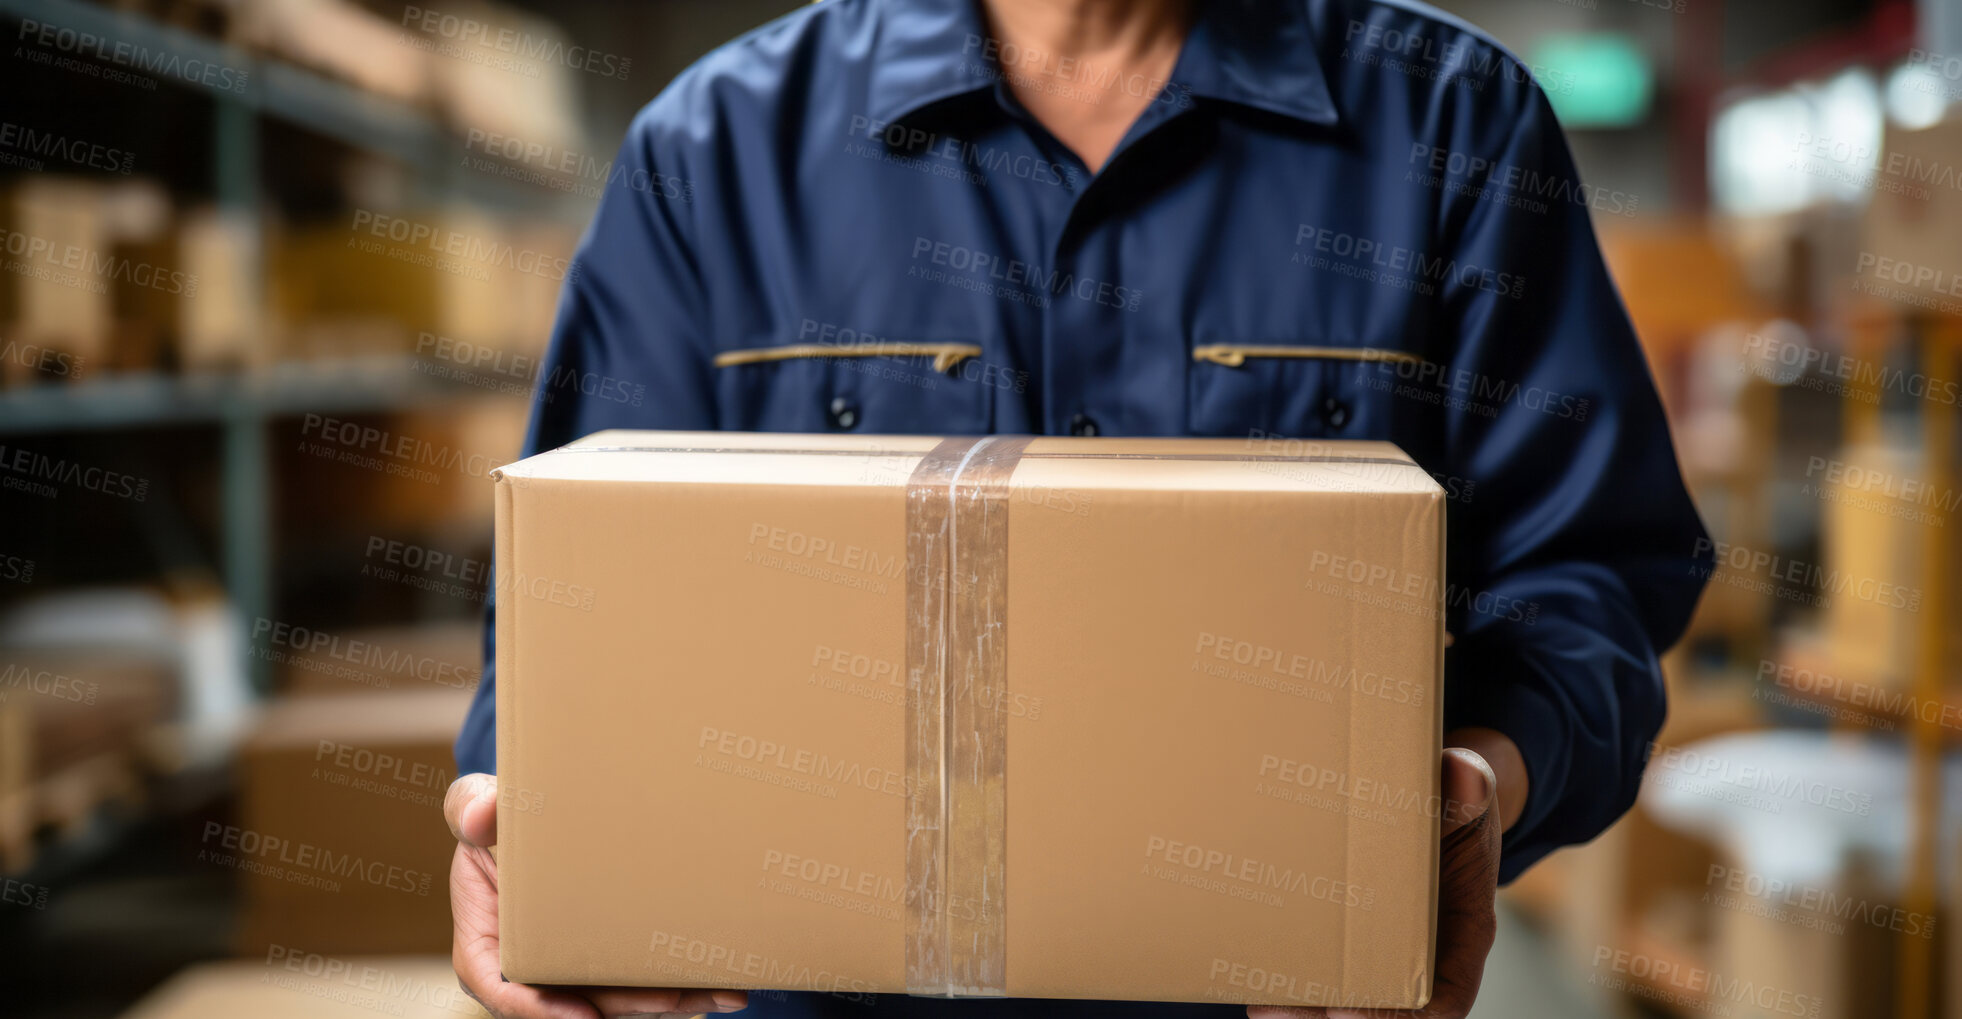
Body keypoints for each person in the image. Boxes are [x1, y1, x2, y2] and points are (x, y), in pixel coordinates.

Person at [443, 0, 1712, 1016]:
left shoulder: (1451, 121)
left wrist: (1474, 793)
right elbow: (572, 592)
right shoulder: (716, 151)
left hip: (1280, 985)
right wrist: (530, 834)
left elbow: (1586, 579)